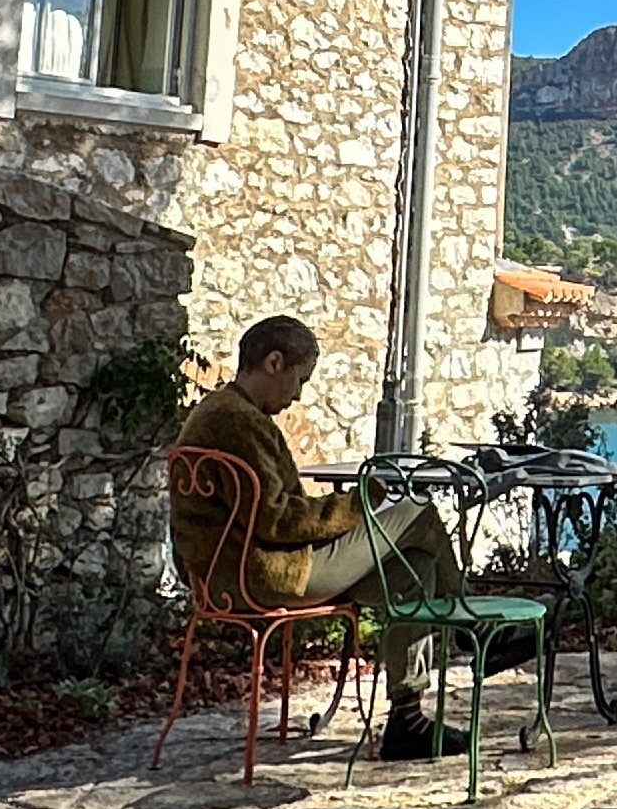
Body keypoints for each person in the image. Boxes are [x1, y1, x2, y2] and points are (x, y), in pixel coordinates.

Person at [167, 316, 445, 762]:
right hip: (266, 575)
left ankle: (407, 721)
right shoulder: (238, 421)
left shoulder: (216, 412)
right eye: (299, 380)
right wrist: (360, 504)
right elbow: (277, 520)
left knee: (412, 571)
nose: (298, 395)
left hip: (228, 575)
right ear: (274, 362)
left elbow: (267, 512)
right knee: (420, 516)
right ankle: (477, 629)